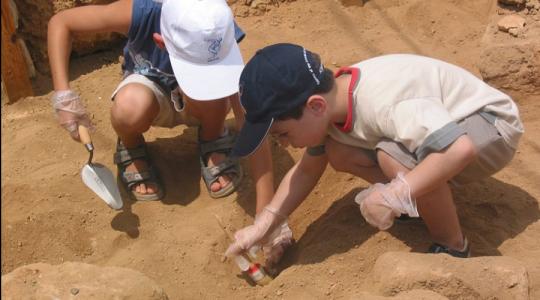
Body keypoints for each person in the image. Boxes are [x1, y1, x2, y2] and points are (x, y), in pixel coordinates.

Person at [225, 43, 524, 260]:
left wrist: (396, 193)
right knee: (338, 151)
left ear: (315, 105)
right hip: (444, 129)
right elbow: (306, 170)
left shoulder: (383, 100)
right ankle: (422, 199)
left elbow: (459, 149)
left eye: (283, 134)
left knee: (391, 156)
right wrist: (266, 223)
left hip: (491, 125)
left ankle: (453, 246)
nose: (284, 145)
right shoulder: (330, 107)